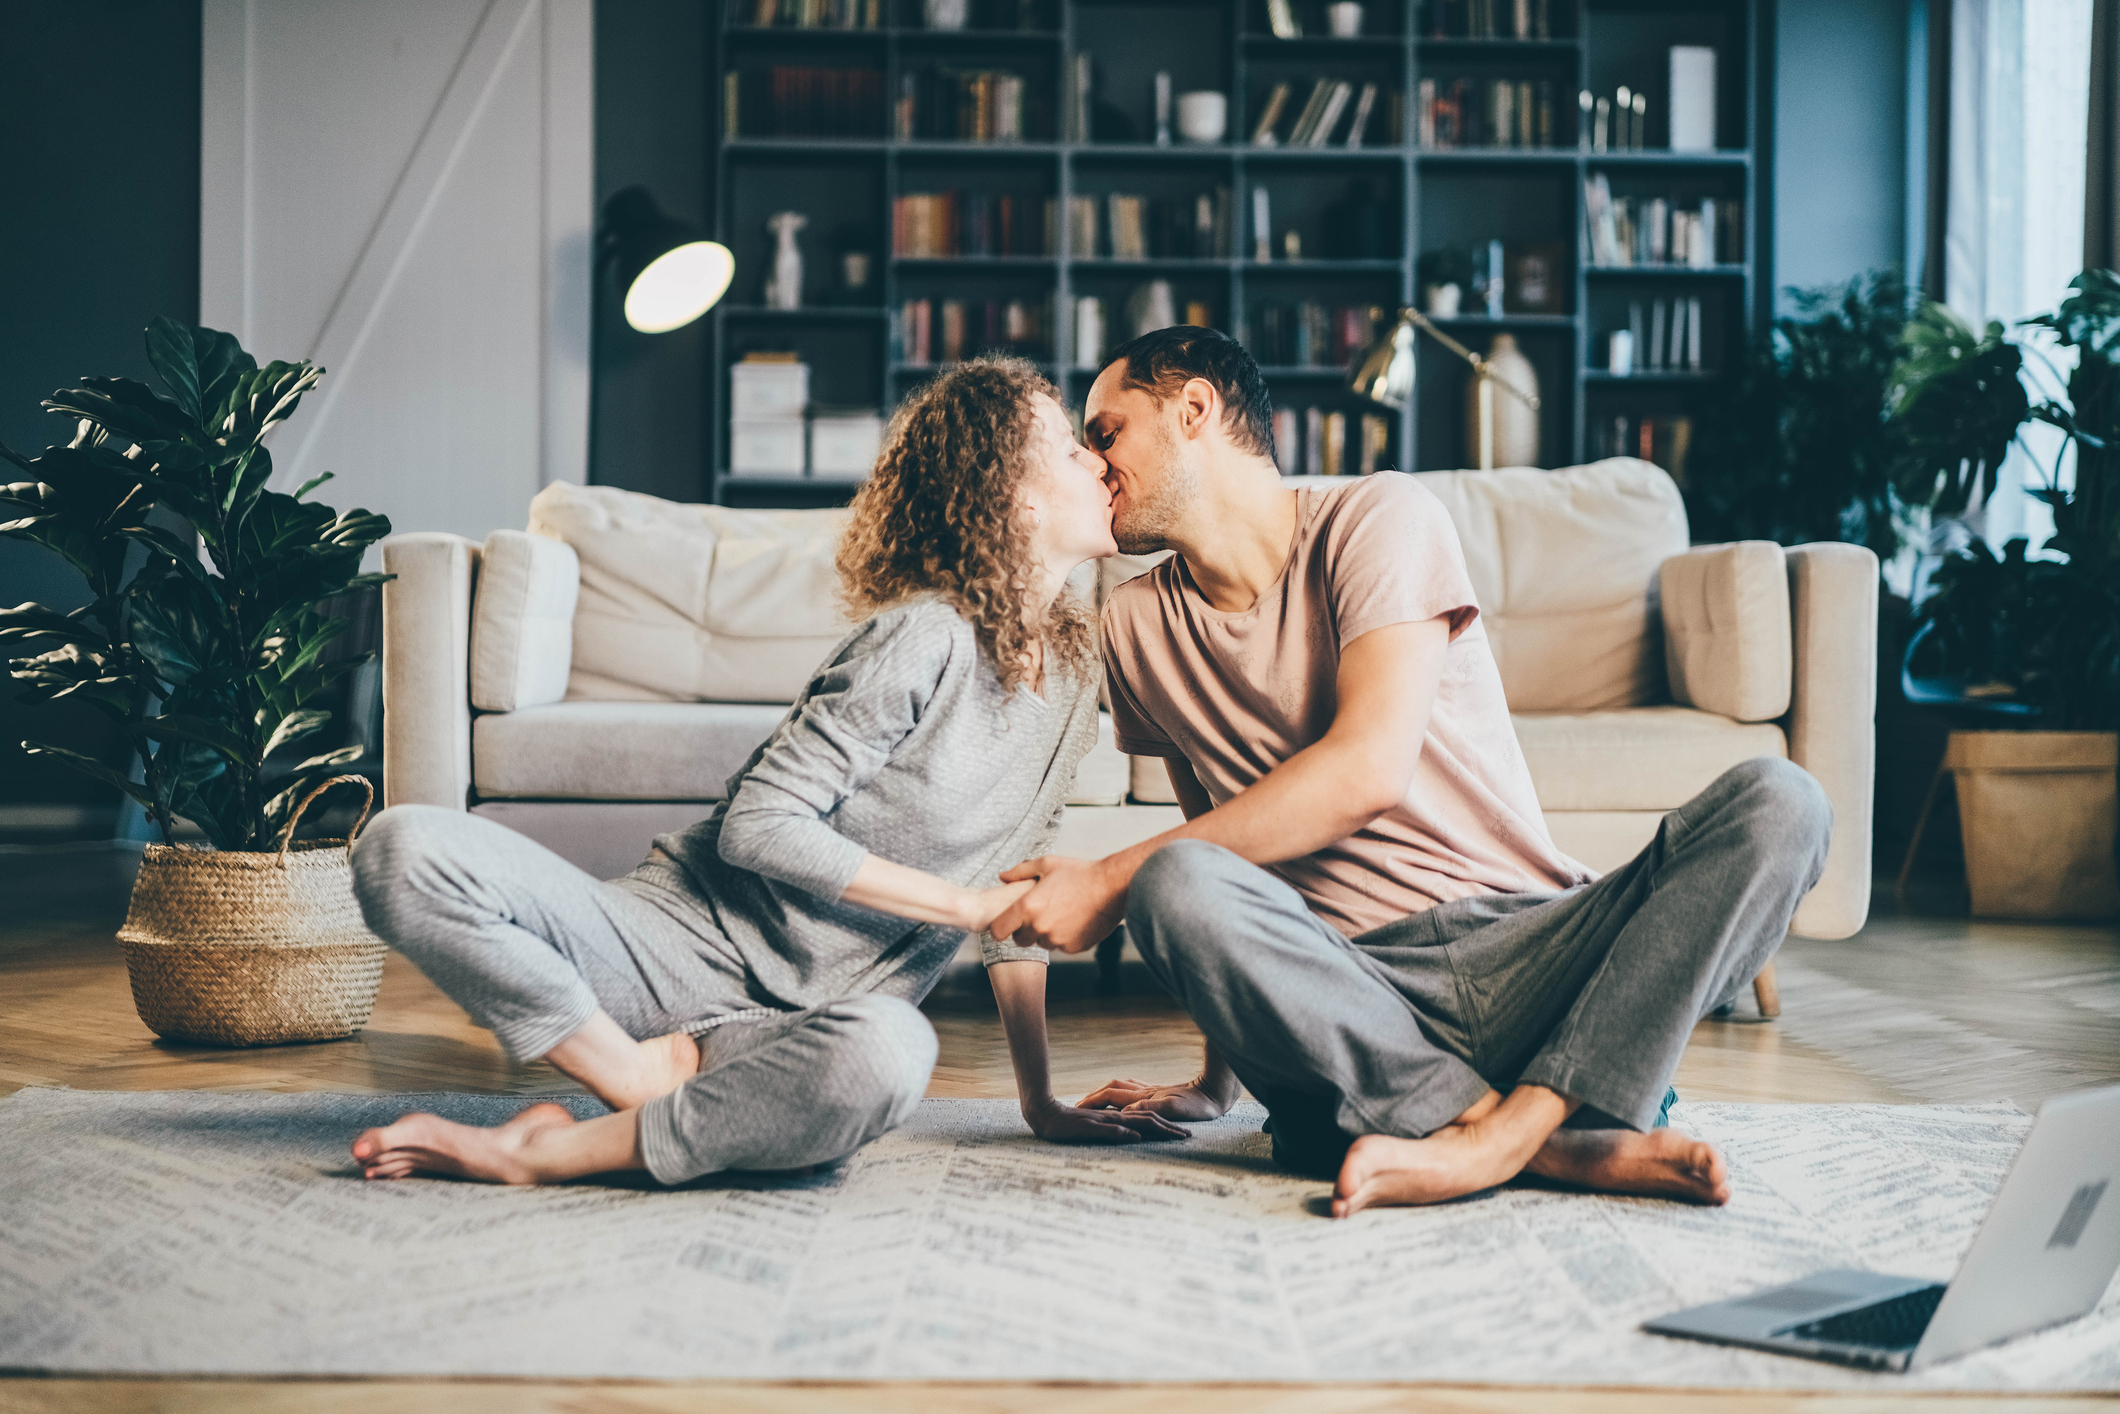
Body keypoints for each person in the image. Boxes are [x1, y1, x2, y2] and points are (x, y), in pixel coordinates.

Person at [990, 326, 1832, 1217]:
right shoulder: (1135, 625)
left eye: (1108, 431)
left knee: (1784, 802)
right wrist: (1216, 1084)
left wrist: (1106, 879)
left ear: (1194, 407)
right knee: (1177, 878)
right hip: (1349, 1003)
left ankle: (1500, 1138)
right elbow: (1225, 857)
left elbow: (1369, 769)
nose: (1094, 461)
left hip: (1528, 953)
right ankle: (1561, 1143)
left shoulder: (1378, 517)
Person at [348, 356, 1182, 1187]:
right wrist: (963, 905)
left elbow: (1016, 894)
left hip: (802, 1027)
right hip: (672, 947)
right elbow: (759, 825)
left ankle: (554, 1146)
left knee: (890, 1055)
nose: (1096, 460)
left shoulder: (1074, 673)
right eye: (1071, 448)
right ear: (1015, 493)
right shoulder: (926, 635)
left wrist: (1039, 1100)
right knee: (400, 848)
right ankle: (631, 1079)